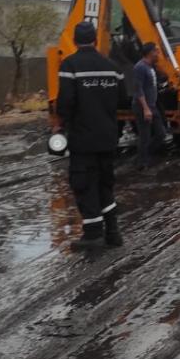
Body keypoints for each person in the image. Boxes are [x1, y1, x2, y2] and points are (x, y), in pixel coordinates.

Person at [56, 21, 124, 249]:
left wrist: (60, 125)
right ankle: (113, 232)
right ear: (95, 40)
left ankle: (93, 234)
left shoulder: (70, 65)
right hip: (107, 137)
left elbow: (66, 102)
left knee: (84, 184)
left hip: (83, 140)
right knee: (106, 184)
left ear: (74, 41)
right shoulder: (113, 67)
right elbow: (123, 100)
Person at [133, 42, 167, 169]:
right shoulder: (139, 67)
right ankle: (142, 164)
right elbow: (138, 89)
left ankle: (143, 156)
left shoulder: (151, 67)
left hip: (152, 106)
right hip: (142, 107)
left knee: (161, 134)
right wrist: (146, 109)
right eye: (156, 51)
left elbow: (152, 85)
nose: (158, 53)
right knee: (145, 136)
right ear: (150, 53)